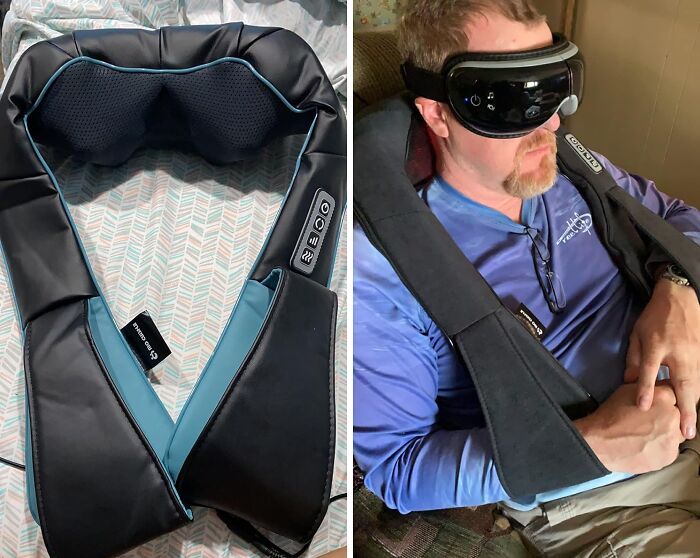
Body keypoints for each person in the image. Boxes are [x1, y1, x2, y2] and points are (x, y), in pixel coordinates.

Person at [352, 1, 700, 555]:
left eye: (555, 89)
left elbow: (679, 219)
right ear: (437, 115)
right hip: (605, 498)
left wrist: (678, 288)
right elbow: (398, 471)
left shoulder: (568, 173)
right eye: (511, 102)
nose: (551, 123)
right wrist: (594, 445)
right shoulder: (384, 268)